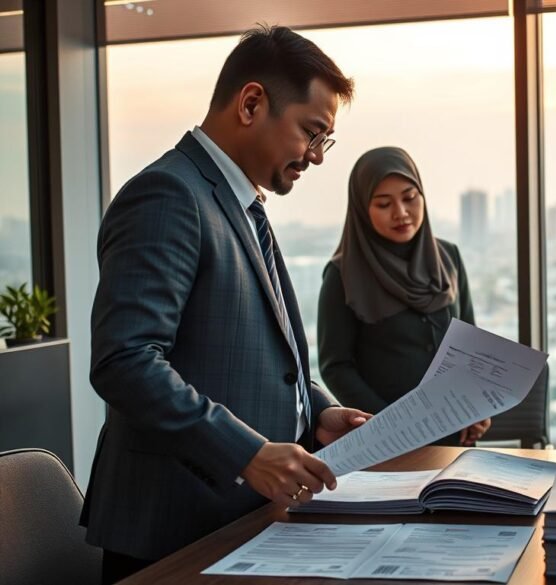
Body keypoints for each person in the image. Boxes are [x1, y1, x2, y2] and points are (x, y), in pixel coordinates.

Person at [83, 25, 371, 583]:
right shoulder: (168, 195)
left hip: (237, 523)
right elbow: (125, 361)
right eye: (310, 133)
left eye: (323, 141)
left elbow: (249, 356)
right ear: (252, 103)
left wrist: (318, 412)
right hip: (174, 533)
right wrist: (245, 452)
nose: (314, 157)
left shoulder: (239, 205)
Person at [317, 146, 489, 447]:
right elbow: (336, 365)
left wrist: (476, 408)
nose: (401, 213)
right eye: (384, 204)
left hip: (455, 434)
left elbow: (469, 346)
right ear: (361, 208)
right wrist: (391, 425)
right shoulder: (342, 274)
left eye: (410, 198)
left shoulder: (448, 256)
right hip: (389, 441)